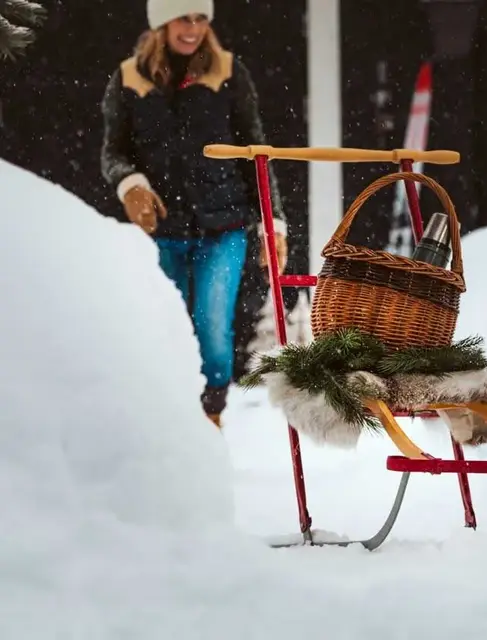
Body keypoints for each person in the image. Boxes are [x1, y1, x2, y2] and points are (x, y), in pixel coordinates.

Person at [99, 0, 288, 429]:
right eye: (184, 18)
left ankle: (211, 417)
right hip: (162, 230)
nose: (194, 28)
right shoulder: (128, 79)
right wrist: (131, 183)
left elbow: (256, 152)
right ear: (162, 22)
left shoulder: (227, 73)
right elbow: (113, 151)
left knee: (213, 334)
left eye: (201, 18)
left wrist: (271, 222)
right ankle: (168, 425)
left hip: (223, 226)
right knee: (167, 332)